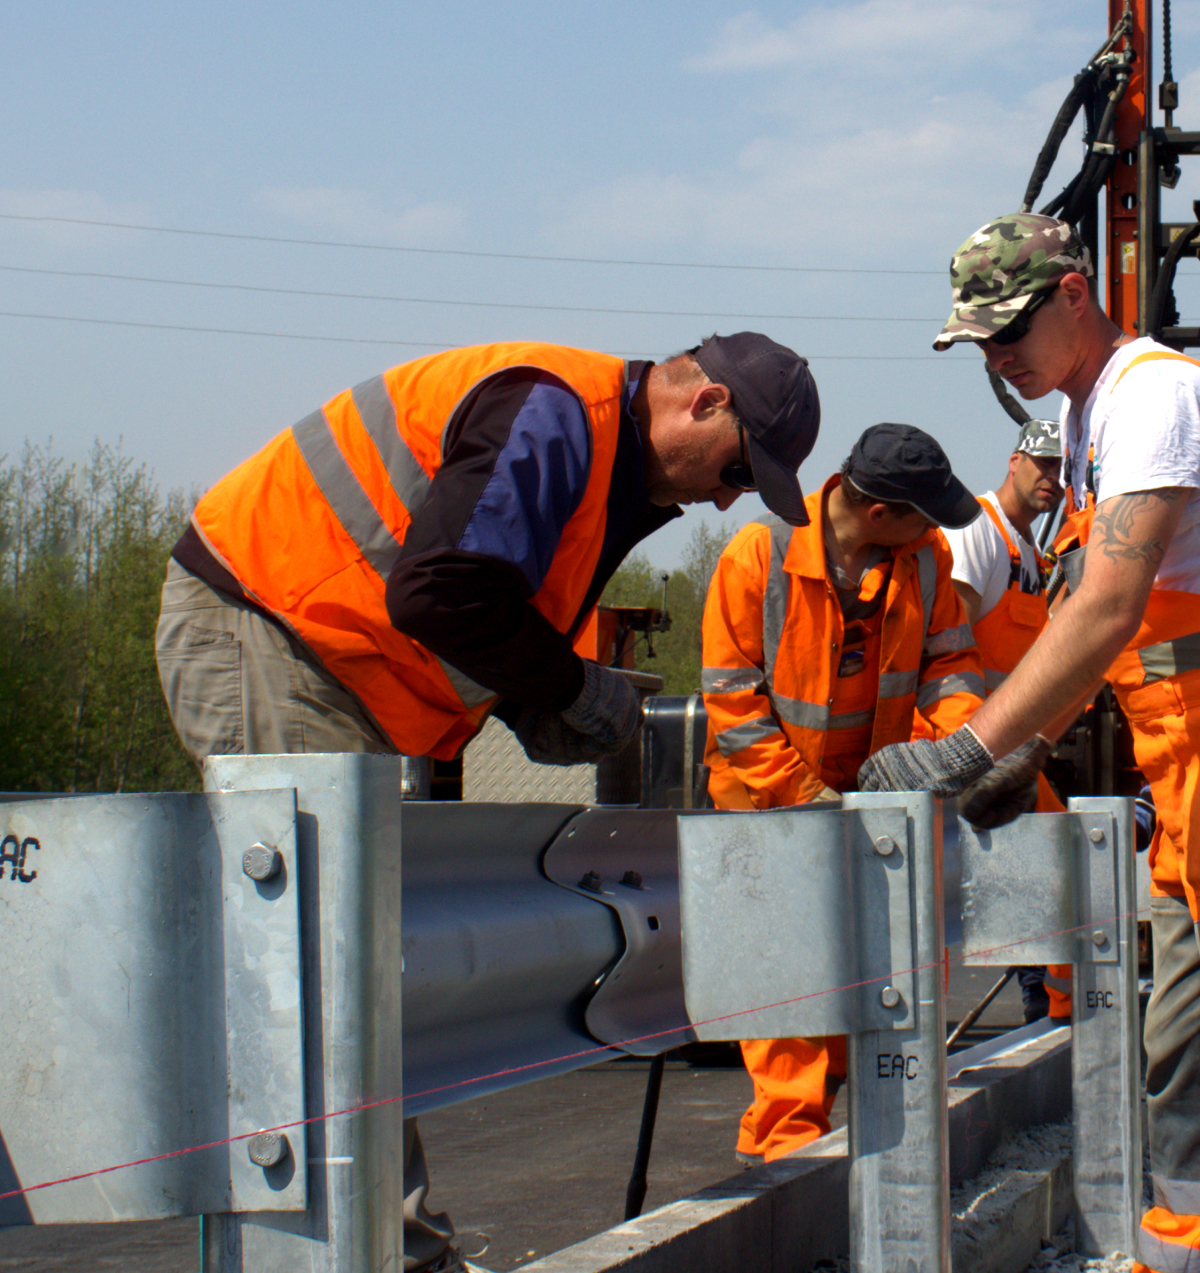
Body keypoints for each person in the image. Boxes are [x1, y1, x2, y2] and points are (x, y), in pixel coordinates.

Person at [155, 333, 820, 1273]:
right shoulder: (557, 412)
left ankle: (386, 1249)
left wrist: (533, 700)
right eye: (738, 471)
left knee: (346, 968)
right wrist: (567, 687)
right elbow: (442, 591)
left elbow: (478, 597)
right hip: (270, 626)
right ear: (705, 403)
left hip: (325, 657)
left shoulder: (605, 463)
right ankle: (390, 1255)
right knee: (323, 971)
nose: (724, 498)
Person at [858, 213, 1200, 1273]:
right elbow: (1102, 634)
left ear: (1075, 293)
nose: (997, 357)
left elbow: (1107, 606)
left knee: (1188, 1038)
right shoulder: (1092, 413)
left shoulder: (1151, 396)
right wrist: (1030, 745)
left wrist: (969, 750)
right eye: (980, 342)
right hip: (1181, 766)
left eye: (1009, 329)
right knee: (1181, 1035)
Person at [701, 423, 984, 1164]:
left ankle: (863, 1154)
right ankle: (785, 1156)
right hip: (768, 809)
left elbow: (952, 669)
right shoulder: (758, 555)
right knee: (790, 990)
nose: (934, 531)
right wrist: (809, 801)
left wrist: (942, 756)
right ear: (881, 512)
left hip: (876, 808)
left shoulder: (925, 557)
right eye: (923, 516)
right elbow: (733, 706)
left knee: (881, 983)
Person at [939, 417, 1071, 1023]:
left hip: (1007, 744)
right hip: (974, 740)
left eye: (1061, 468)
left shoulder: (1030, 553)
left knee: (1050, 860)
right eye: (1042, 463)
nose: (1052, 477)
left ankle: (1049, 1000)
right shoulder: (979, 530)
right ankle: (1051, 1001)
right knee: (1054, 853)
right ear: (1014, 460)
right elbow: (948, 643)